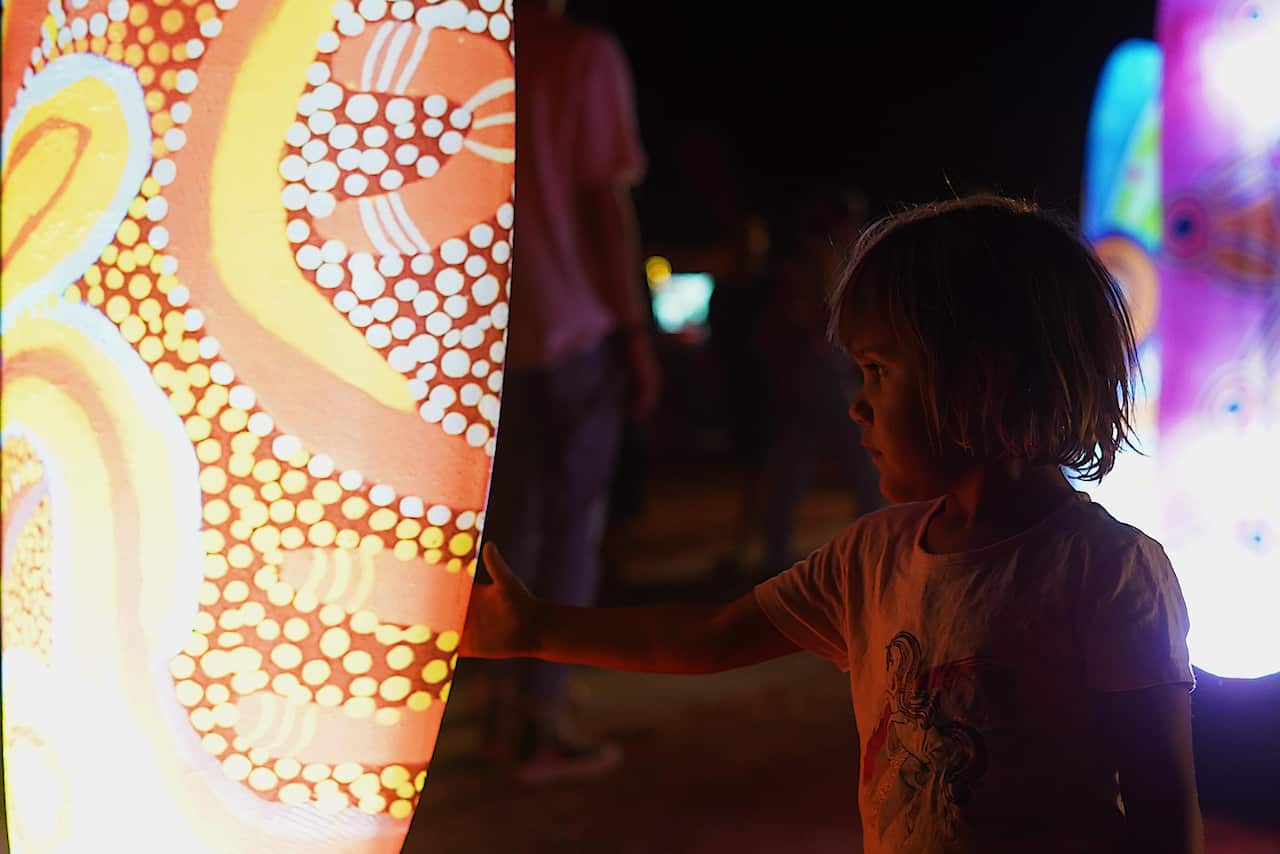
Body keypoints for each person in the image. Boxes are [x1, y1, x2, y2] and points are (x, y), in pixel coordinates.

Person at [465, 195, 1203, 852]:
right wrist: (535, 628)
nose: (856, 403)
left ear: (981, 379)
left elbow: (1165, 815)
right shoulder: (870, 558)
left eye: (878, 371)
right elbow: (710, 637)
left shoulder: (1109, 570)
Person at [476, 0, 660, 784]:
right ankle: (541, 719)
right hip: (571, 330)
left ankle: (503, 708)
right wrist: (635, 329)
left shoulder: (467, 48)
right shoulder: (582, 56)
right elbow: (599, 202)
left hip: (484, 337)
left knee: (504, 532)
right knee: (570, 528)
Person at [757, 187, 885, 576]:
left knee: (799, 463)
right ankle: (879, 546)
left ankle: (777, 547)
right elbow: (822, 317)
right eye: (852, 217)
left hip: (812, 374)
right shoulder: (824, 258)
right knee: (862, 461)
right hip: (820, 373)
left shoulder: (810, 258)